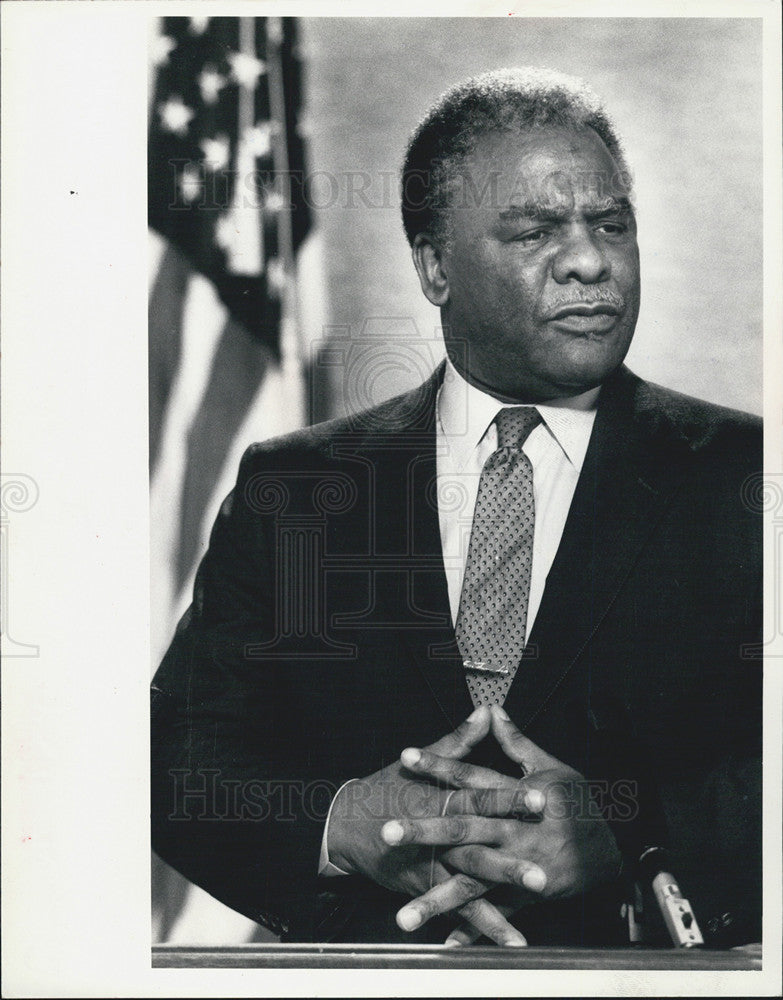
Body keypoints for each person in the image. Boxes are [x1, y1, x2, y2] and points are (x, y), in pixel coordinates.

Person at [151, 67, 762, 948]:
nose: (589, 259)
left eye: (610, 224)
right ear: (436, 267)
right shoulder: (297, 489)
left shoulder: (748, 480)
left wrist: (635, 843)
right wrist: (344, 823)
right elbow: (178, 762)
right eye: (534, 230)